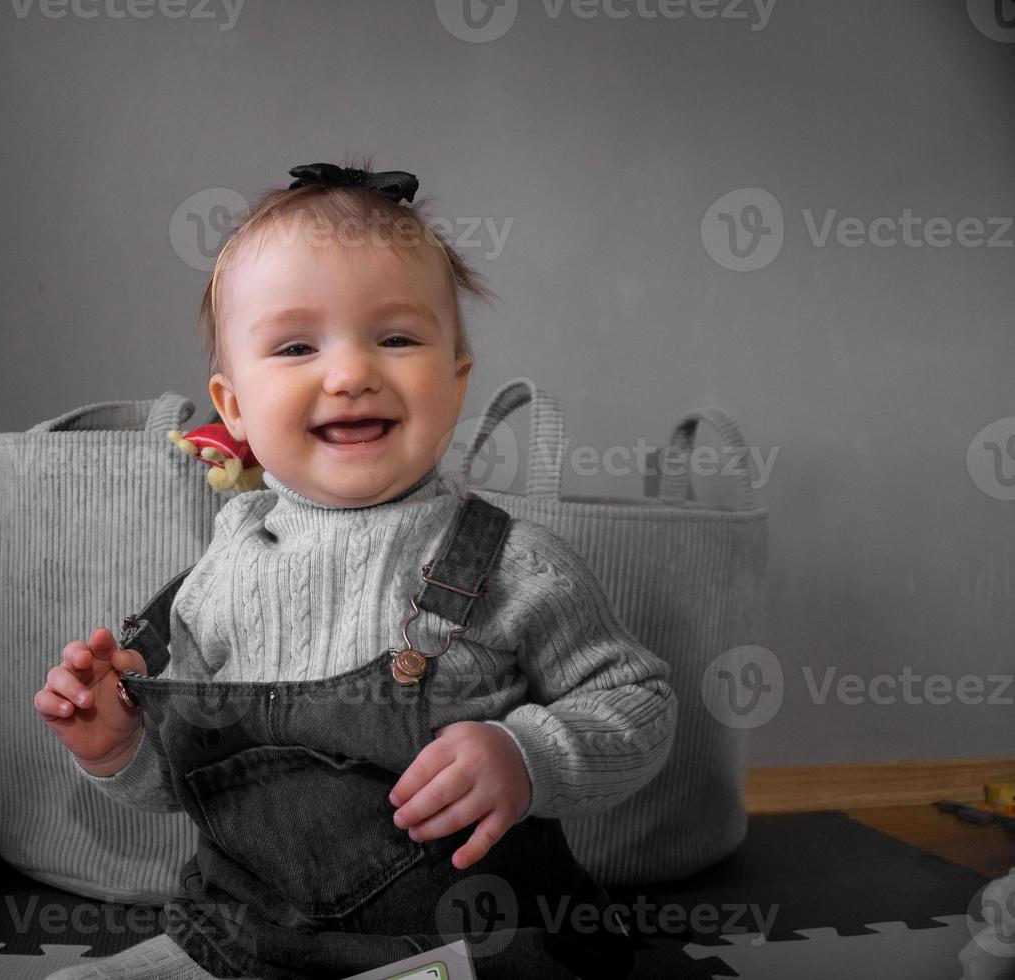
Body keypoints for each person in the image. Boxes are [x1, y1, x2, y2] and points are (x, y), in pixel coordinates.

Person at [34, 160, 677, 980]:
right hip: (246, 940)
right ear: (233, 408)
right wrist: (116, 748)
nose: (350, 373)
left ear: (455, 377)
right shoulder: (218, 578)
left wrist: (530, 757)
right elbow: (189, 782)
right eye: (297, 345)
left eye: (396, 338)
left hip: (465, 946)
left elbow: (640, 704)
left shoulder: (518, 564)